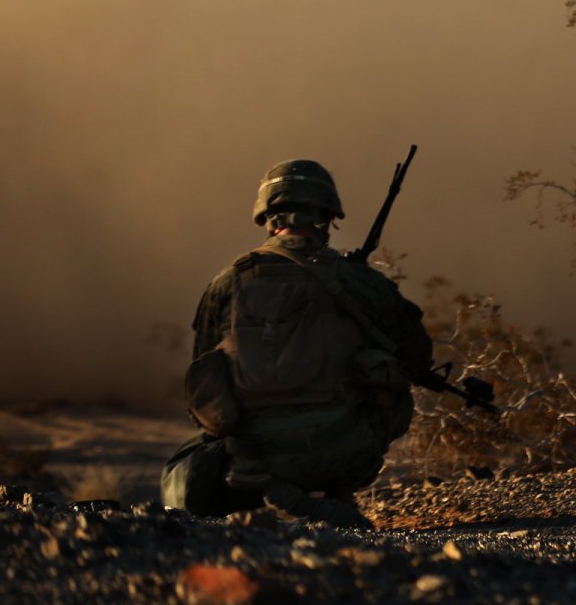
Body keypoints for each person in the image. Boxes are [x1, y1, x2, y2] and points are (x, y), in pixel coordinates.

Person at [161, 159, 432, 527]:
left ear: (268, 219)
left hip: (252, 461)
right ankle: (337, 494)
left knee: (198, 443)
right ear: (327, 219)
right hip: (346, 453)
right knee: (393, 383)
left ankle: (273, 496)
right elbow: (416, 358)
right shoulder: (363, 282)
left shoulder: (229, 282)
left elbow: (202, 375)